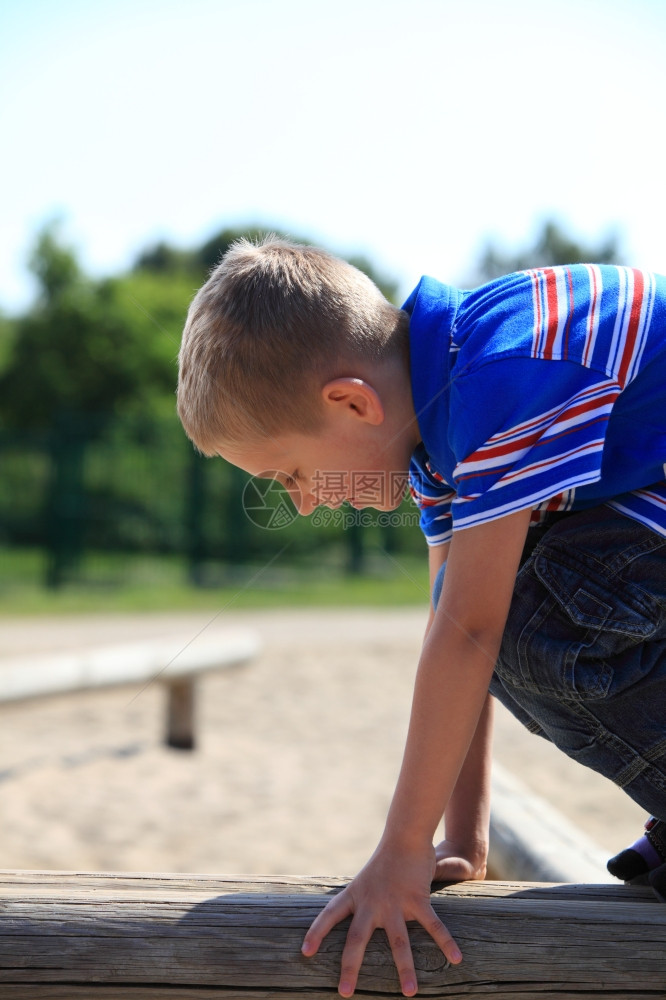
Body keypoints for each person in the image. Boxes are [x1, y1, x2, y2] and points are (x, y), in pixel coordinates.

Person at [177, 236, 666, 997]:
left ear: (351, 402)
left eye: (293, 475)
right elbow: (453, 624)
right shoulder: (440, 439)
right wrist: (461, 839)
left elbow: (473, 632)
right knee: (527, 612)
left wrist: (399, 851)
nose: (304, 501)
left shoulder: (500, 379)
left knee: (535, 626)